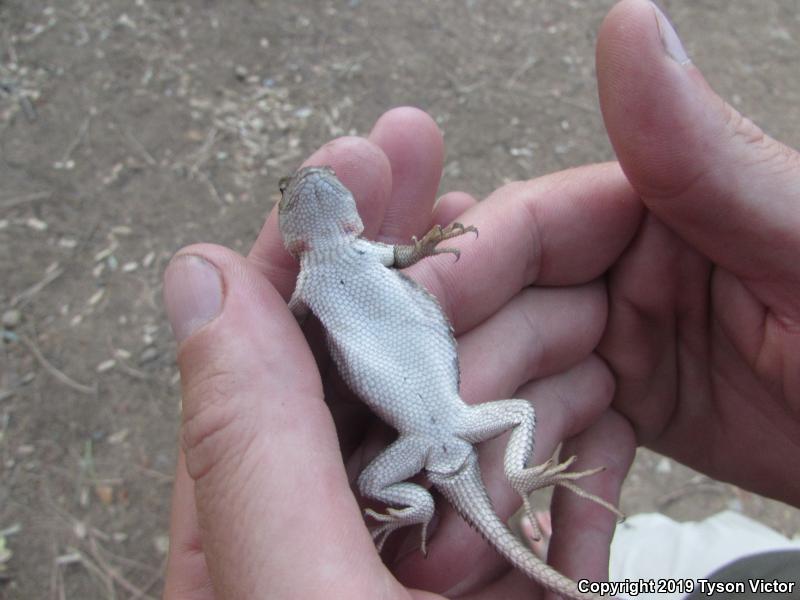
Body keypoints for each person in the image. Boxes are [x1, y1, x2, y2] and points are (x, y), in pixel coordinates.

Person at [161, 0, 800, 597]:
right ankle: (508, 485)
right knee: (518, 417)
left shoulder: (330, 271)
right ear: (342, 217)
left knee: (391, 474)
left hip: (428, 430)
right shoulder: (333, 267)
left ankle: (449, 502)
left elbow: (322, 305)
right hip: (450, 421)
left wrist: (241, 344)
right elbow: (382, 270)